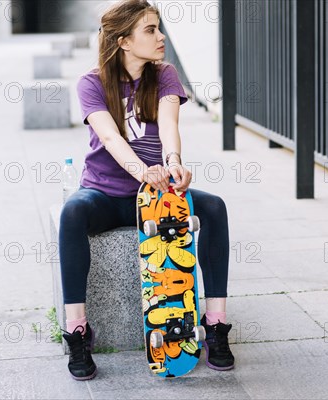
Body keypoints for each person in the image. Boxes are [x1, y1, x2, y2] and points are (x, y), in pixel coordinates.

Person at [58, 0, 235, 380]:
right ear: (123, 41)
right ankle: (77, 331)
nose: (161, 37)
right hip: (106, 195)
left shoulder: (165, 74)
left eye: (159, 28)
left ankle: (216, 324)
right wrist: (141, 170)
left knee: (214, 207)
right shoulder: (92, 82)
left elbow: (169, 124)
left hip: (159, 198)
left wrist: (172, 163)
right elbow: (108, 135)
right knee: (72, 212)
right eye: (150, 30)